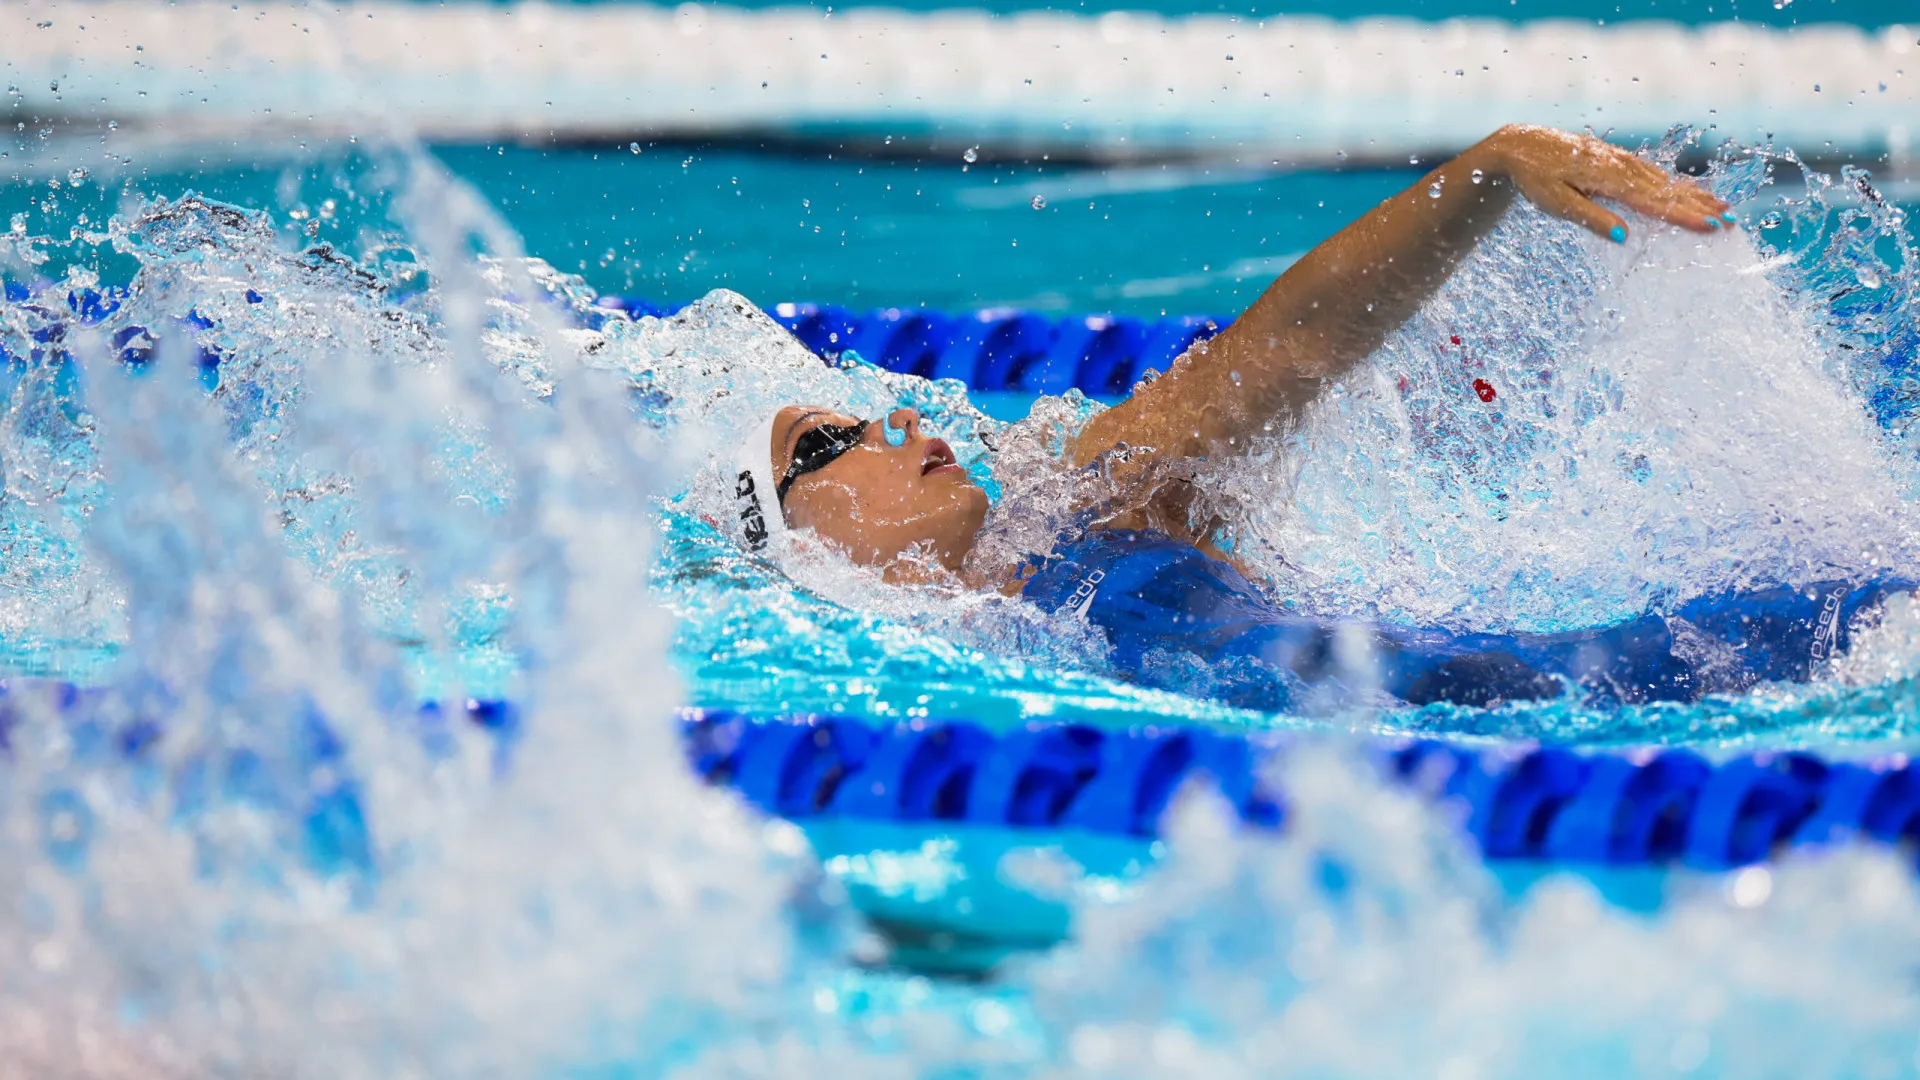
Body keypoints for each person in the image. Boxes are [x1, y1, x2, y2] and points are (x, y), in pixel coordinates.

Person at [723, 124, 1908, 711]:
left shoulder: (1082, 495)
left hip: (1528, 688)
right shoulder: (887, 684)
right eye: (822, 446)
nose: (892, 423)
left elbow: (1285, 351)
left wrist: (1490, 170)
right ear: (788, 548)